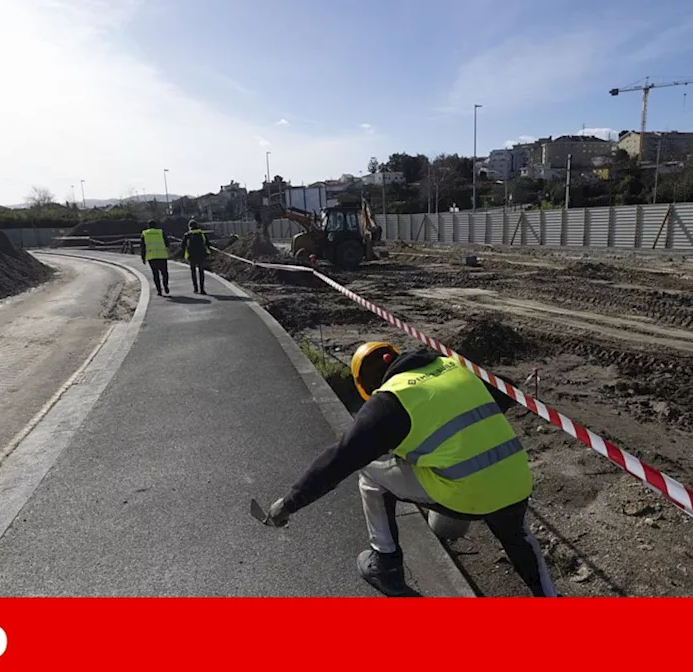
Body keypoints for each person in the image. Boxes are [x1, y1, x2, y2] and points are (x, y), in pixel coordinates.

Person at [256, 341, 557, 597]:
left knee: (371, 473)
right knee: (515, 534)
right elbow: (505, 393)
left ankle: (385, 564)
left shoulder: (389, 402)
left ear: (366, 386)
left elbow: (339, 460)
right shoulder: (454, 366)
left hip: (465, 494)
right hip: (516, 482)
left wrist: (288, 504)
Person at [179, 219, 212, 295]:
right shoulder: (201, 233)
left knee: (193, 272)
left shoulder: (187, 235)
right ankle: (202, 289)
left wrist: (185, 253)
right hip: (201, 255)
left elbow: (182, 246)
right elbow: (207, 243)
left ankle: (195, 288)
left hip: (192, 256)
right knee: (201, 272)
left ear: (189, 226)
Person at [139, 220, 171, 296]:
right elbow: (167, 244)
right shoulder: (161, 232)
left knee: (155, 274)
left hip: (151, 257)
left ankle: (159, 291)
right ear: (156, 225)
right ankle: (165, 285)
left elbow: (143, 247)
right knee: (164, 273)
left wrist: (143, 258)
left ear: (148, 226)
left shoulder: (145, 233)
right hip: (162, 256)